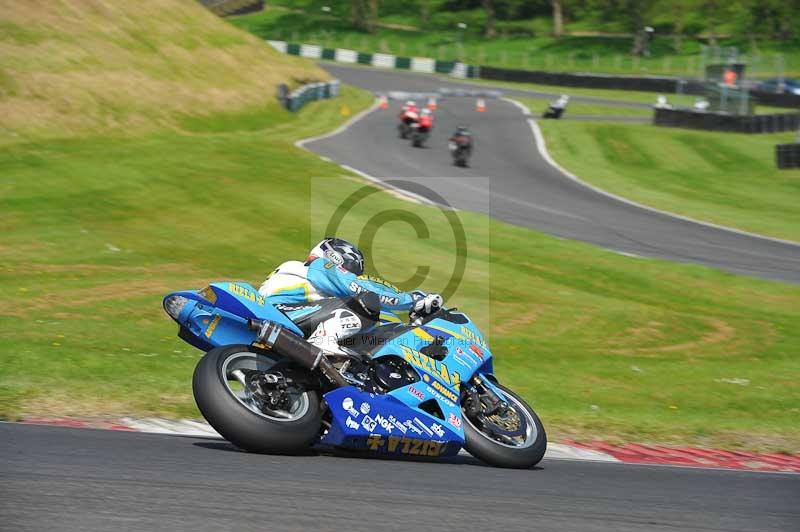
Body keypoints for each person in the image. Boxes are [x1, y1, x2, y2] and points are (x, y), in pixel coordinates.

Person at [258, 237, 443, 354]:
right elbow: (357, 287)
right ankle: (323, 341)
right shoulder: (320, 266)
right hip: (282, 314)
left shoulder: (307, 275)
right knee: (366, 301)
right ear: (335, 257)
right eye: (351, 269)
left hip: (284, 316)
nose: (351, 273)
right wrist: (412, 300)